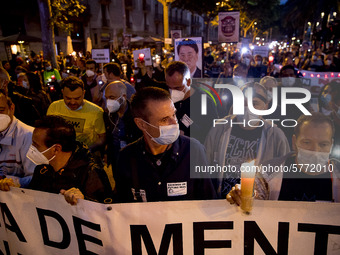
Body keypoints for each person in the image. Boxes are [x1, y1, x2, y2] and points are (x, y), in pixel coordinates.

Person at [115, 87, 216, 202]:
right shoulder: (126, 158)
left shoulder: (193, 151)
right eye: (164, 119)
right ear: (141, 124)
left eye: (174, 114)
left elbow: (209, 202)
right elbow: (121, 208)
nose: (174, 123)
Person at [226, 113, 340, 203]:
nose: (315, 150)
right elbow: (254, 197)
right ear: (294, 142)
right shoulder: (268, 173)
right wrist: (242, 196)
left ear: (331, 144)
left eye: (323, 144)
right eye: (307, 142)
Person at [205, 82, 290, 198]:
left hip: (259, 209)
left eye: (254, 104)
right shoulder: (219, 129)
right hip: (221, 205)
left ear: (266, 105)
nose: (247, 108)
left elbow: (283, 177)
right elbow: (205, 167)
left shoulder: (276, 137)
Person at [5, 115, 112, 205]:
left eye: (36, 145)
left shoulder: (91, 173)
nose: (31, 147)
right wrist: (12, 191)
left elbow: (107, 212)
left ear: (56, 149)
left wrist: (84, 201)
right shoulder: (42, 170)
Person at [138, 61, 218, 144]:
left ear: (188, 82)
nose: (173, 92)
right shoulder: (167, 93)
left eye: (177, 88)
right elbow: (149, 85)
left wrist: (186, 132)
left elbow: (211, 133)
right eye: (169, 87)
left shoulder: (204, 101)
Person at [47, 76, 106, 153]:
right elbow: (47, 131)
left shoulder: (96, 111)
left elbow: (102, 138)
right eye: (68, 98)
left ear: (83, 93)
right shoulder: (54, 107)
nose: (72, 102)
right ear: (62, 92)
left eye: (77, 98)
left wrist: (87, 149)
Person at [0, 91, 36, 188]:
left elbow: (36, 178)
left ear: (11, 109)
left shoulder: (29, 136)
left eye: (1, 110)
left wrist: (12, 182)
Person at [104, 81, 142, 168]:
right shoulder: (108, 115)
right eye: (107, 98)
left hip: (134, 160)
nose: (109, 102)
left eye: (112, 97)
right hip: (116, 158)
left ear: (123, 97)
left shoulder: (136, 113)